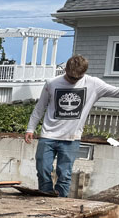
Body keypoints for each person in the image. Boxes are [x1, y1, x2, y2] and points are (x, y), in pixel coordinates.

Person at [25, 55, 119, 197]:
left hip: (71, 138)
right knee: (42, 168)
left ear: (83, 73)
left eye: (76, 79)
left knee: (64, 174)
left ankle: (61, 202)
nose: (72, 80)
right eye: (70, 77)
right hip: (48, 135)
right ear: (65, 70)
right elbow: (40, 107)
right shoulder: (52, 83)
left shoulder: (94, 84)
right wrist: (30, 128)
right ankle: (46, 195)